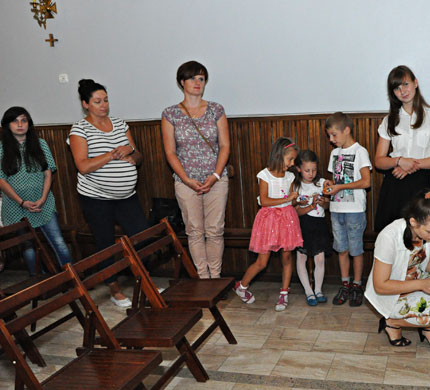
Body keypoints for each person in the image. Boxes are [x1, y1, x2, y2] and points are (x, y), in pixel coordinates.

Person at [68, 79, 146, 308]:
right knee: (105, 242)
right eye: (97, 101)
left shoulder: (120, 124)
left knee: (142, 236)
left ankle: (144, 280)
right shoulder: (79, 129)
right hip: (96, 198)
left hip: (126, 196)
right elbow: (83, 166)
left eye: (106, 100)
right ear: (85, 104)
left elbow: (138, 155)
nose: (103, 105)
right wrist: (111, 155)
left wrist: (131, 153)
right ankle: (114, 288)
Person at [365, 191, 430, 354]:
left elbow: (429, 260)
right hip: (393, 295)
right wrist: (421, 285)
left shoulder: (427, 232)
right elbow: (380, 286)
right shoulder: (389, 237)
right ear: (413, 222)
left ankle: (428, 327)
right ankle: (392, 323)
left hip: (419, 281)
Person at [161, 61, 230, 279]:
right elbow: (170, 152)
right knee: (194, 231)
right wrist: (186, 179)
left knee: (215, 230)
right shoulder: (170, 114)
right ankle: (203, 278)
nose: (197, 82)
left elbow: (225, 145)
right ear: (182, 82)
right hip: (186, 182)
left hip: (216, 179)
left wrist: (215, 176)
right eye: (192, 78)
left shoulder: (216, 110)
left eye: (201, 78)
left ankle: (215, 278)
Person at [374, 65, 430, 232]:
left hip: (420, 183)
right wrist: (400, 161)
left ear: (415, 83)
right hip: (394, 181)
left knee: (421, 234)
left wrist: (411, 166)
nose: (402, 91)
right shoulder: (389, 120)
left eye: (406, 84)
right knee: (391, 235)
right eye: (397, 88)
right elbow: (379, 161)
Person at [233, 137, 303, 311]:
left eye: (294, 160)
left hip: (287, 220)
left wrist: (298, 200)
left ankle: (284, 293)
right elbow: (264, 201)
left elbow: (290, 201)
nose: (292, 163)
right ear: (279, 155)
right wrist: (287, 199)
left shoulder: (290, 176)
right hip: (269, 220)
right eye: (290, 159)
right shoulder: (264, 175)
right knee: (262, 262)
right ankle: (241, 286)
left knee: (287, 257)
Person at [0, 106, 72, 273]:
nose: (20, 124)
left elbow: (48, 173)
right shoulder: (1, 149)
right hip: (15, 206)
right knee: (28, 246)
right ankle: (39, 281)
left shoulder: (41, 144)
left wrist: (43, 198)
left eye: (24, 120)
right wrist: (22, 202)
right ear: (7, 125)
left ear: (29, 123)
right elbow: (1, 180)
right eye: (15, 121)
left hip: (43, 203)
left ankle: (72, 278)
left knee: (58, 241)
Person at [325, 112, 372, 307]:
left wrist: (341, 187)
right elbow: (334, 180)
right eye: (329, 135)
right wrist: (329, 185)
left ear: (346, 130)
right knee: (341, 249)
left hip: (354, 210)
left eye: (334, 135)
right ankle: (345, 284)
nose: (331, 139)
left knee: (356, 250)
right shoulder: (334, 153)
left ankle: (357, 285)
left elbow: (366, 182)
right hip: (336, 208)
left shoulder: (360, 151)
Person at [292, 150, 332, 306]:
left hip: (319, 224)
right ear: (299, 169)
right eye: (307, 170)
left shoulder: (321, 183)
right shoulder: (296, 185)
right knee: (301, 257)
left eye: (314, 170)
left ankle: (318, 290)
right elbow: (296, 211)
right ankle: (308, 291)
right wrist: (310, 206)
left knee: (320, 258)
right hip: (303, 224)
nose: (311, 174)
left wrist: (323, 203)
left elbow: (327, 205)